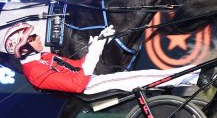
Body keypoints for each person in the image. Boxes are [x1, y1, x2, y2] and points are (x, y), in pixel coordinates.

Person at [14, 25, 200, 94]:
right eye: (32, 38)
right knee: (143, 79)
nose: (38, 38)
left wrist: (99, 43)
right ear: (22, 48)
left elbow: (78, 66)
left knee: (146, 75)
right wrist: (95, 51)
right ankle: (193, 76)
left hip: (91, 81)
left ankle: (192, 74)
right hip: (89, 87)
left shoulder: (44, 57)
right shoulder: (34, 71)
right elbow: (77, 85)